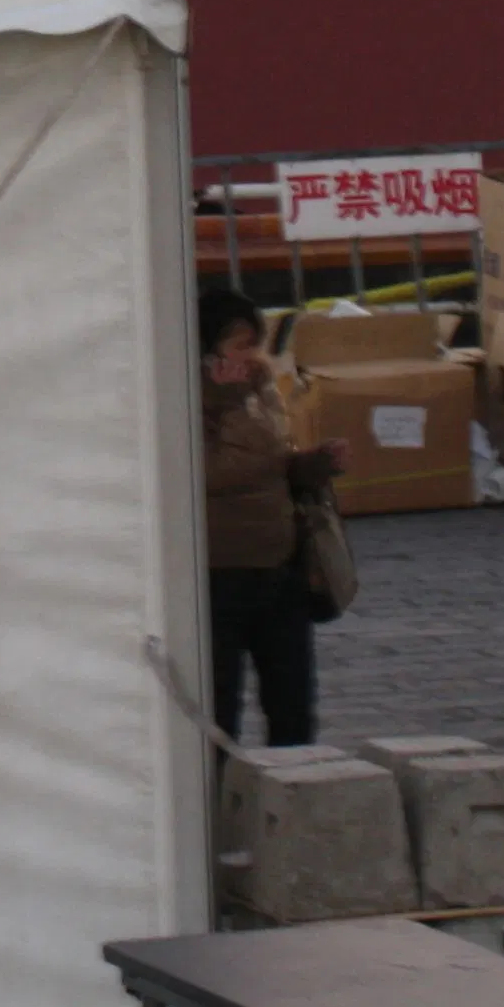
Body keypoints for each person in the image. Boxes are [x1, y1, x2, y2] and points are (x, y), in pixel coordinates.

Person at [199, 287, 344, 747]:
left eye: (254, 344)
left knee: (293, 704)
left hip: (281, 565)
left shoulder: (260, 387)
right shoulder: (191, 398)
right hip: (219, 572)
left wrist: (312, 465)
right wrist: (225, 401)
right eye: (239, 346)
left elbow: (276, 462)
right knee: (219, 708)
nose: (252, 357)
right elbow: (211, 472)